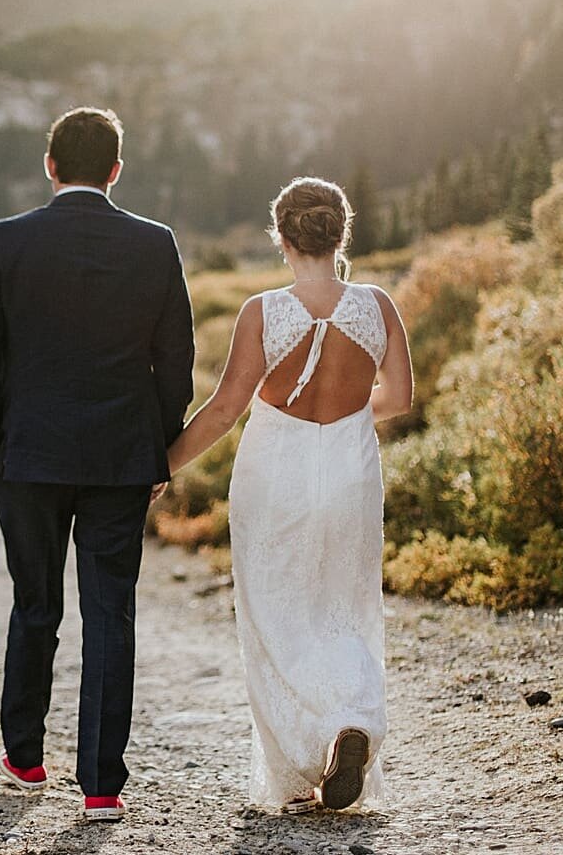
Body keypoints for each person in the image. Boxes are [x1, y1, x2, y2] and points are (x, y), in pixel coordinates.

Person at [0, 106, 195, 823]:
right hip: (122, 457)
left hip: (27, 456)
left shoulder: (9, 242)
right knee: (109, 612)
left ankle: (25, 757)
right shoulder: (156, 244)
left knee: (35, 605)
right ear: (116, 170)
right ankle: (100, 788)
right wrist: (160, 445)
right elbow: (176, 359)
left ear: (50, 166)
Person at [165, 176, 413, 812]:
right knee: (343, 602)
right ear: (340, 232)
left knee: (276, 610)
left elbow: (224, 410)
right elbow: (402, 399)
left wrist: (162, 465)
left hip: (275, 468)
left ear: (281, 236)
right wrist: (352, 416)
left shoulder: (263, 312)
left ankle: (311, 755)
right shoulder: (377, 305)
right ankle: (352, 720)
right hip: (351, 469)